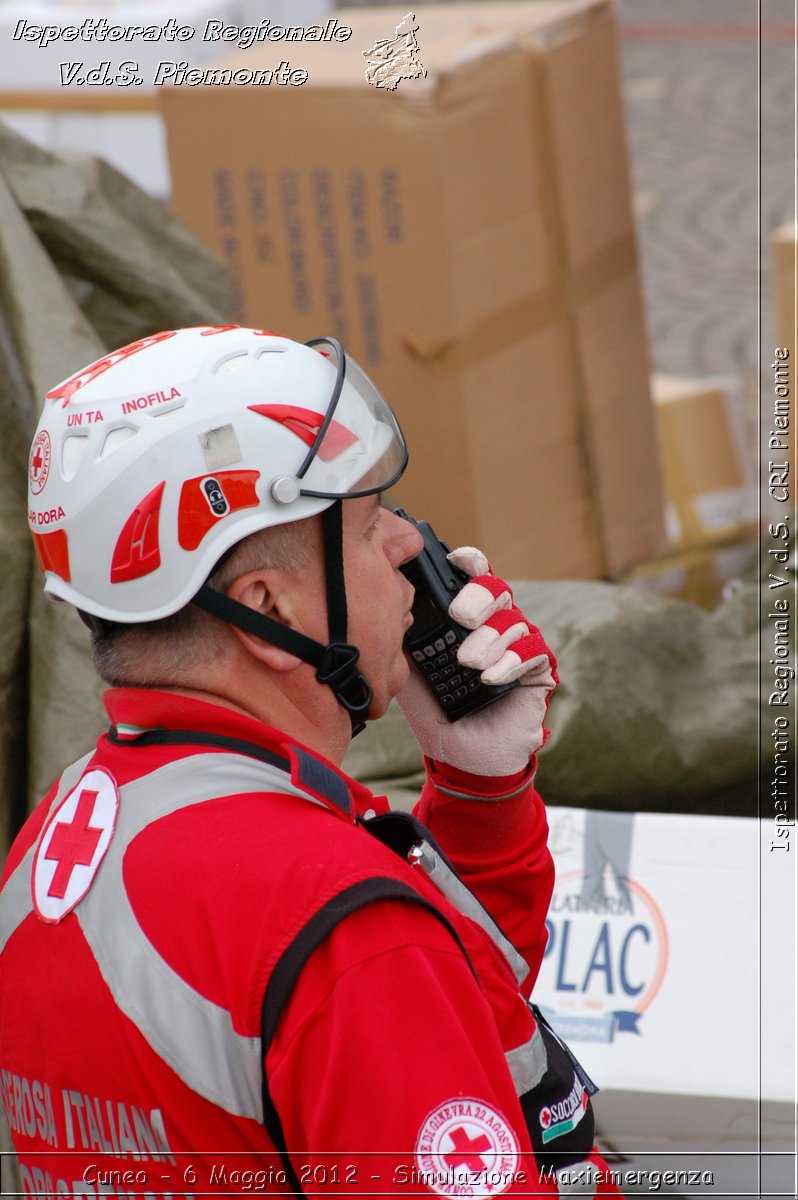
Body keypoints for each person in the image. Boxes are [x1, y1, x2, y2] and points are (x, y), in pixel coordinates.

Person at [0, 327, 624, 1198]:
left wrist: (481, 795)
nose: (409, 543)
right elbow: (374, 984)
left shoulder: (54, 844)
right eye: (367, 524)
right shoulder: (342, 924)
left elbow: (448, 1019)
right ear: (269, 605)